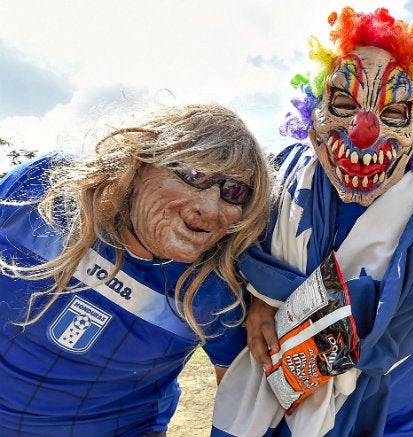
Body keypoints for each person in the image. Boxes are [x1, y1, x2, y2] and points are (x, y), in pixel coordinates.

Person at [210, 7, 413, 437]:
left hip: (397, 417)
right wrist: (261, 296)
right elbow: (226, 255)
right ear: (312, 112)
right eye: (343, 103)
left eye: (394, 111)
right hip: (276, 405)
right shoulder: (272, 176)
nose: (363, 130)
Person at [0, 103, 274, 437]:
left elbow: (239, 396)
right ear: (139, 161)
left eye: (235, 192)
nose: (211, 208)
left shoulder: (215, 289)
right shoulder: (42, 189)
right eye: (196, 175)